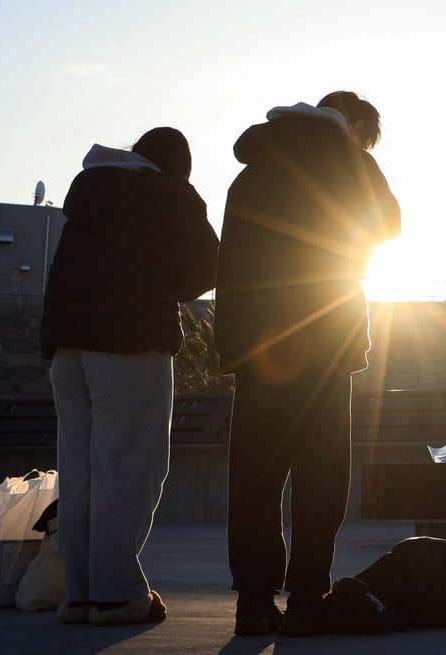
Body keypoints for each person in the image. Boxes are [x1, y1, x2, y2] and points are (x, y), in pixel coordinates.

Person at [214, 91, 400, 637]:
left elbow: (230, 265)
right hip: (324, 345)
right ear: (354, 126)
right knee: (321, 478)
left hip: (257, 351)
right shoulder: (351, 163)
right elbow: (387, 227)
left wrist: (232, 346)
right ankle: (306, 599)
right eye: (366, 137)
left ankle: (252, 601)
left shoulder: (251, 174)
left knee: (254, 479)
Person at [40, 127, 219, 626]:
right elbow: (206, 269)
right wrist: (157, 283)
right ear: (177, 165)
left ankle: (81, 593)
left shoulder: (91, 190)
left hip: (66, 346)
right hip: (129, 342)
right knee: (130, 467)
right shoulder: (168, 194)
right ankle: (118, 594)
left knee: (80, 473)